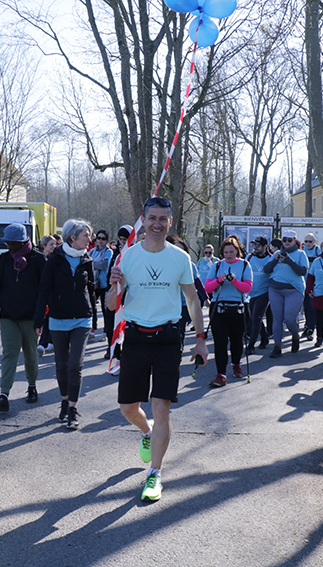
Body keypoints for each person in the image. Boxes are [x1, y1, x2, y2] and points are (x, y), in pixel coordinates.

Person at [106, 196, 208, 502]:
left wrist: (200, 339)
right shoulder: (127, 257)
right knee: (127, 408)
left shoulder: (179, 259)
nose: (157, 224)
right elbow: (113, 306)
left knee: (162, 406)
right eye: (152, 218)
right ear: (143, 218)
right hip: (135, 336)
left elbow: (192, 300)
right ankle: (147, 432)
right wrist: (113, 288)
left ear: (170, 222)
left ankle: (155, 473)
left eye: (163, 219)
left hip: (168, 337)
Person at [34, 219, 96, 430]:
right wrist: (39, 320)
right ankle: (64, 400)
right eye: (86, 235)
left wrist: (94, 320)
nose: (90, 239)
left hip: (82, 319)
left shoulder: (87, 259)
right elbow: (43, 290)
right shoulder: (55, 260)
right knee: (61, 365)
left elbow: (91, 290)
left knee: (74, 365)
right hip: (58, 319)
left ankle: (72, 408)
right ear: (73, 237)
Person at [0, 223, 46, 411]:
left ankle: (32, 386)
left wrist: (40, 317)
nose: (8, 247)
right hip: (8, 315)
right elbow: (0, 285)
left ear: (22, 242)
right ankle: (4, 395)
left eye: (12, 243)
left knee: (30, 355)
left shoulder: (38, 259)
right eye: (7, 243)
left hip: (30, 316)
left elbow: (43, 291)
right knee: (9, 354)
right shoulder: (5, 259)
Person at [205, 237, 253, 387]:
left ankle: (236, 364)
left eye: (231, 252)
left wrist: (234, 281)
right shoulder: (217, 265)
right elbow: (207, 288)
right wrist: (219, 280)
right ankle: (221, 375)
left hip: (239, 307)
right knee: (220, 342)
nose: (228, 255)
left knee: (237, 340)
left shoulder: (245, 265)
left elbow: (248, 288)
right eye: (225, 252)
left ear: (237, 251)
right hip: (219, 308)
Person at [264, 229, 309, 358]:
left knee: (289, 319)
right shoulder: (276, 253)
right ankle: (277, 346)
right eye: (284, 240)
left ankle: (295, 336)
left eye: (290, 240)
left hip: (293, 290)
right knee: (277, 319)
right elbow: (266, 270)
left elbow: (302, 272)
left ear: (295, 240)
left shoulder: (301, 254)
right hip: (275, 289)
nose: (287, 242)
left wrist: (289, 261)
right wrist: (274, 260)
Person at [103, 225, 133, 364]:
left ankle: (123, 358)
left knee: (125, 329)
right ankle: (114, 352)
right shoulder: (115, 253)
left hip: (129, 297)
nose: (122, 242)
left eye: (125, 239)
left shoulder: (136, 252)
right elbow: (110, 273)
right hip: (114, 294)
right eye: (120, 239)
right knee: (110, 328)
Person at [246, 236, 274, 355]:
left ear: (265, 247)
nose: (255, 247)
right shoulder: (249, 257)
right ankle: (264, 337)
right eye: (254, 245)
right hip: (251, 293)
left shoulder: (271, 258)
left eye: (258, 245)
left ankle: (251, 345)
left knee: (256, 317)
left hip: (265, 292)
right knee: (253, 316)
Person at [90, 229, 113, 340]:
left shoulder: (108, 252)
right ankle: (93, 328)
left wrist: (92, 264)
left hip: (104, 284)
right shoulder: (92, 251)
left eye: (103, 239)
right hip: (93, 283)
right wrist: (95, 264)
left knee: (105, 309)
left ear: (106, 240)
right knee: (92, 307)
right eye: (98, 238)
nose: (100, 240)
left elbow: (104, 265)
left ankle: (105, 331)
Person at [36, 235, 56, 356]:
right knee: (44, 318)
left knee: (49, 317)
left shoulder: (55, 258)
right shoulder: (39, 259)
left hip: (51, 293)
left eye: (54, 244)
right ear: (44, 246)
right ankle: (46, 342)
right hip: (41, 293)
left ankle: (44, 343)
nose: (54, 247)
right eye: (51, 244)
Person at [300, 232, 319, 341]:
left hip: (314, 283)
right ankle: (307, 325)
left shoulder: (318, 251)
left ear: (314, 241)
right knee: (305, 306)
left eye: (310, 241)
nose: (308, 244)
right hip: (302, 282)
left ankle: (311, 328)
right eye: (306, 241)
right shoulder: (302, 250)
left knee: (311, 306)